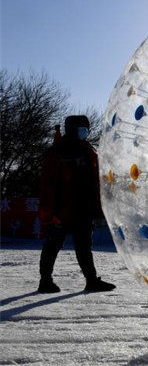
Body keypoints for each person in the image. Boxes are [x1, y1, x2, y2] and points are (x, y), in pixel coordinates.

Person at [37, 115, 115, 293]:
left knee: (84, 246)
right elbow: (47, 187)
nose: (85, 131)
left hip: (83, 209)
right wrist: (49, 215)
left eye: (85, 128)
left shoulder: (87, 150)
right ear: (72, 129)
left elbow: (95, 182)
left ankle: (91, 280)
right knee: (53, 245)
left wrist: (98, 208)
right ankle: (45, 281)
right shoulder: (58, 153)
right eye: (81, 128)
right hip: (62, 211)